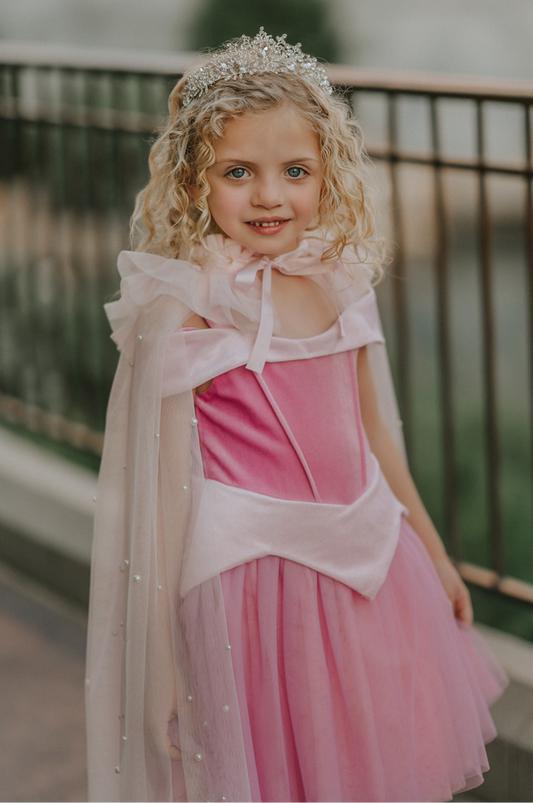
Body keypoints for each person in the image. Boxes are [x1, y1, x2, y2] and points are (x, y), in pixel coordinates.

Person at [86, 29, 508, 803]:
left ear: (326, 176)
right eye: (237, 172)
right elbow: (162, 495)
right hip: (255, 593)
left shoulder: (340, 277)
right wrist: (165, 663)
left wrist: (435, 551)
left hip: (371, 570)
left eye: (295, 171)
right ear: (194, 180)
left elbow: (375, 435)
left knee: (365, 762)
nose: (269, 195)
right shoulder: (183, 311)